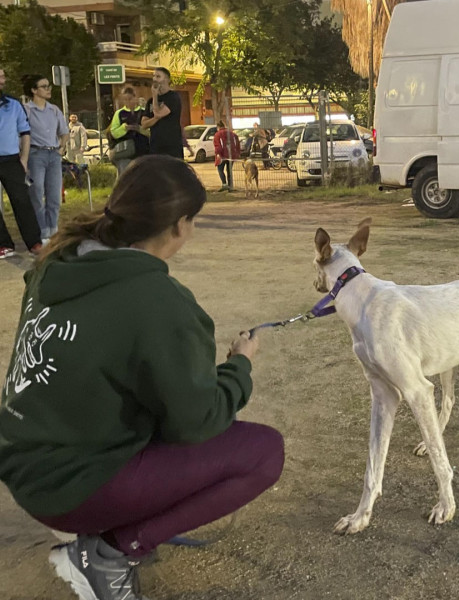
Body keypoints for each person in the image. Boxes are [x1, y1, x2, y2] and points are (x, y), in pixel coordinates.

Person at [0, 156, 284, 600]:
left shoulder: (58, 260)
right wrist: (239, 366)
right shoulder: (157, 300)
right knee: (263, 453)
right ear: (179, 226)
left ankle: (109, 528)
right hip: (71, 485)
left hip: (25, 465)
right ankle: (110, 552)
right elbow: (197, 421)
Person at [0, 66, 43, 258]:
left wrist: (24, 159)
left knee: (21, 199)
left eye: (3, 76)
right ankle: (3, 244)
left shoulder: (13, 104)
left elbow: (25, 133)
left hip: (11, 160)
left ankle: (34, 242)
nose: (3, 80)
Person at [23, 74, 68, 241]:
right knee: (37, 192)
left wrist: (61, 149)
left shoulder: (54, 109)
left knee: (54, 195)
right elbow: (21, 135)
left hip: (53, 154)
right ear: (34, 90)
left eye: (48, 86)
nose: (48, 89)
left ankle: (53, 230)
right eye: (44, 86)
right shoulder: (26, 110)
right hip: (36, 154)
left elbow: (64, 132)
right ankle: (42, 231)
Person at [141, 67, 183, 158]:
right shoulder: (150, 101)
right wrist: (156, 118)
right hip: (155, 147)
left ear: (167, 79)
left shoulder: (173, 97)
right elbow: (144, 124)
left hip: (172, 148)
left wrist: (155, 96)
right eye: (154, 76)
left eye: (158, 76)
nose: (155, 79)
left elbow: (158, 113)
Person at [108, 87, 149, 175]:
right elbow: (114, 133)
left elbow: (150, 132)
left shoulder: (143, 112)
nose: (128, 102)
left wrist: (139, 129)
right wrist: (124, 128)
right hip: (125, 151)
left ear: (135, 97)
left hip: (143, 150)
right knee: (125, 176)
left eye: (130, 99)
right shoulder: (119, 113)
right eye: (125, 100)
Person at [213, 120, 241, 192]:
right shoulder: (232, 134)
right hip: (231, 155)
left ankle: (224, 184)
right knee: (229, 171)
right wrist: (237, 152)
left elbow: (217, 145)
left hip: (222, 155)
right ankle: (230, 186)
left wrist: (218, 154)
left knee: (220, 169)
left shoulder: (217, 134)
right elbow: (237, 143)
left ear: (218, 127)